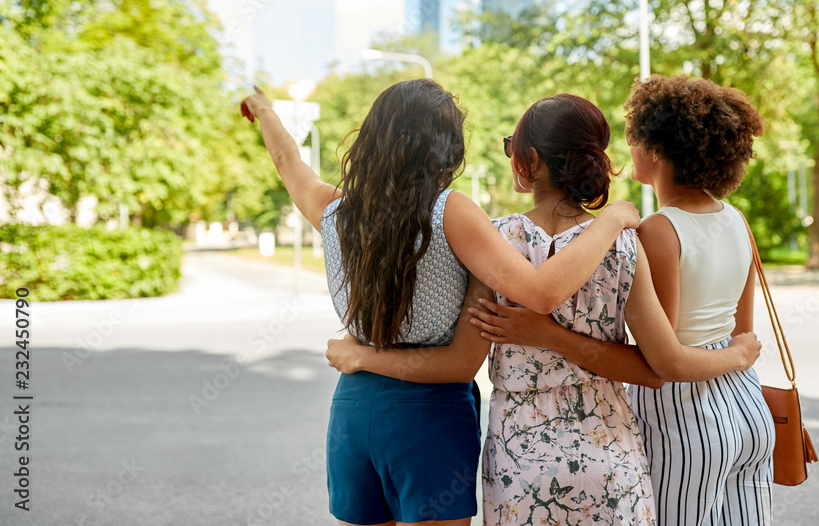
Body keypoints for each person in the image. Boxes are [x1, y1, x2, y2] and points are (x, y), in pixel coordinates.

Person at [325, 93, 762, 525]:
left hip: (522, 459)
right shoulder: (625, 244)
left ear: (528, 161)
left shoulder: (493, 241)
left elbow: (452, 343)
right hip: (610, 455)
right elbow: (653, 369)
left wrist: (364, 346)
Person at [239, 80, 641, 526]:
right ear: (446, 148)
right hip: (427, 414)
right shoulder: (450, 210)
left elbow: (287, 161)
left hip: (353, 410)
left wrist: (264, 110)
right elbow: (538, 294)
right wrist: (612, 220)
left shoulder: (334, 211)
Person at [472, 76, 774, 525]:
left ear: (530, 160)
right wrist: (738, 355)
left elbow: (665, 361)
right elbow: (722, 339)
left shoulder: (498, 239)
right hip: (713, 415)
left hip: (651, 424)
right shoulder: (658, 235)